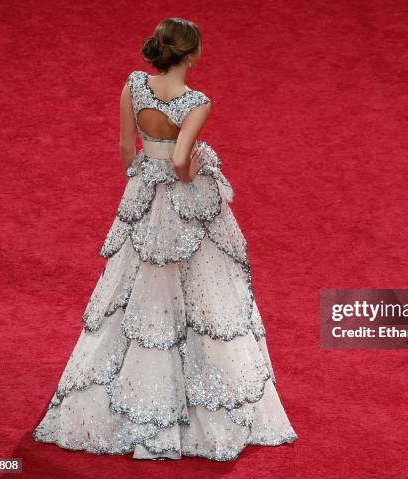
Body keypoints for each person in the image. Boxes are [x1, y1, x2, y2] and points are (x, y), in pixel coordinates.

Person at [31, 17, 299, 461]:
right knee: (200, 296)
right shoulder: (196, 101)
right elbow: (180, 160)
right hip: (183, 203)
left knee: (134, 293)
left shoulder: (133, 86)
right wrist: (195, 168)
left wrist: (138, 186)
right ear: (192, 55)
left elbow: (124, 147)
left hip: (143, 194)